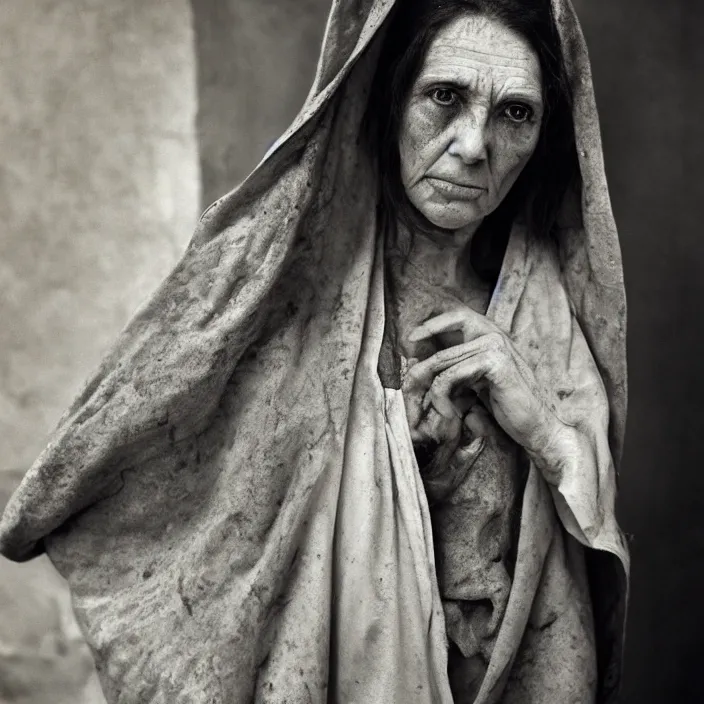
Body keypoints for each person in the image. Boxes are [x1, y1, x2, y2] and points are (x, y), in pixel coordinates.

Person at [0, 0, 629, 702]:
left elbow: (577, 545)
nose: (474, 144)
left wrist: (539, 426)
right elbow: (112, 482)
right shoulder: (281, 288)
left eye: (515, 113)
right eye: (444, 98)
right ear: (387, 100)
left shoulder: (543, 313)